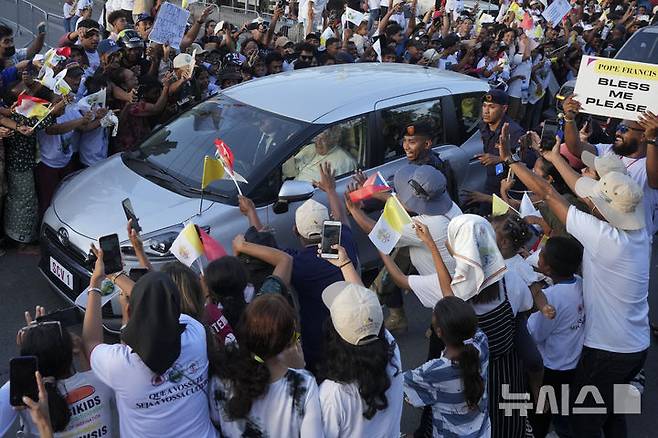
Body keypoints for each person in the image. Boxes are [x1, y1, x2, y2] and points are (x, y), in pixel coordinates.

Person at [499, 124, 650, 438]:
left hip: (609, 353)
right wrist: (554, 157)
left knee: (585, 422)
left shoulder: (604, 238)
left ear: (603, 208)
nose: (590, 200)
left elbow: (549, 194)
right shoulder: (640, 230)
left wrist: (513, 161)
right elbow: (579, 189)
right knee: (613, 415)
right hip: (636, 347)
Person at [82, 247, 217, 437]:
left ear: (128, 312)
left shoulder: (119, 364)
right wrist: (117, 276)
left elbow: (91, 342)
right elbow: (160, 301)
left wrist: (96, 283)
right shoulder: (196, 334)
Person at [317, 247, 403, 438]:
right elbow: (367, 312)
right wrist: (345, 264)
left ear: (335, 333)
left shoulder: (333, 394)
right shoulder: (391, 351)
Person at [209, 294, 323, 437]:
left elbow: (215, 420)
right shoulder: (304, 384)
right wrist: (301, 369)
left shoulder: (220, 379)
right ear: (288, 341)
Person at [285, 163, 359, 373]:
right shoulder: (344, 242)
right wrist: (331, 190)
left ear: (295, 231)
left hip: (317, 343)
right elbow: (343, 220)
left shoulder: (297, 264)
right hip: (351, 331)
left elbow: (271, 250)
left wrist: (251, 220)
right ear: (328, 224)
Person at [0, 308, 115, 437]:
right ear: (72, 349)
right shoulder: (101, 380)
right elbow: (91, 371)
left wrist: (33, 345)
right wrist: (82, 350)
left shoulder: (28, 401)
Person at [562, 96, 658, 234]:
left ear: (644, 136)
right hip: (605, 232)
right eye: (618, 127)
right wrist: (569, 120)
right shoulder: (609, 150)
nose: (617, 132)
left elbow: (654, 181)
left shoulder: (650, 163)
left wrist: (653, 139)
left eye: (624, 129)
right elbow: (576, 148)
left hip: (634, 241)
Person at [403, 296, 491, 437]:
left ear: (439, 332)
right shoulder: (481, 343)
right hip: (483, 431)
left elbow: (399, 384)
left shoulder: (433, 372)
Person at [528, 236, 585, 438]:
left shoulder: (551, 298)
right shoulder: (580, 283)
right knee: (563, 408)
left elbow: (536, 333)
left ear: (548, 269)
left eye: (541, 255)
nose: (538, 256)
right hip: (572, 362)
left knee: (541, 412)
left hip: (550, 367)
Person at [478, 89, 533, 197]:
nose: (486, 111)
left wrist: (500, 159)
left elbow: (528, 160)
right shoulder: (483, 125)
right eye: (484, 106)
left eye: (492, 107)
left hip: (509, 186)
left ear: (504, 108)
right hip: (492, 180)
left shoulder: (513, 131)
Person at [293, 126, 357, 182]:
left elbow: (338, 188)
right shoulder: (310, 148)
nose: (318, 142)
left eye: (323, 139)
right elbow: (291, 172)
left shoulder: (345, 161)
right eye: (316, 138)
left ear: (334, 139)